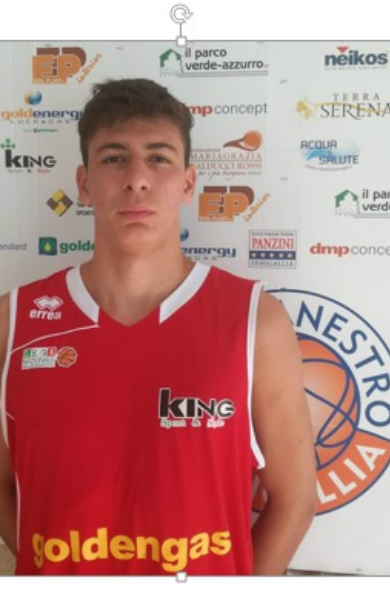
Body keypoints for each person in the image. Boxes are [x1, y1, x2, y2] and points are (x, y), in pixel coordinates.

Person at [0, 79, 317, 575]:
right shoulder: (13, 321)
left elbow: (296, 501)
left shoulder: (255, 320)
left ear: (188, 183)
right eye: (114, 158)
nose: (137, 179)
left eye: (158, 157)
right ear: (84, 183)